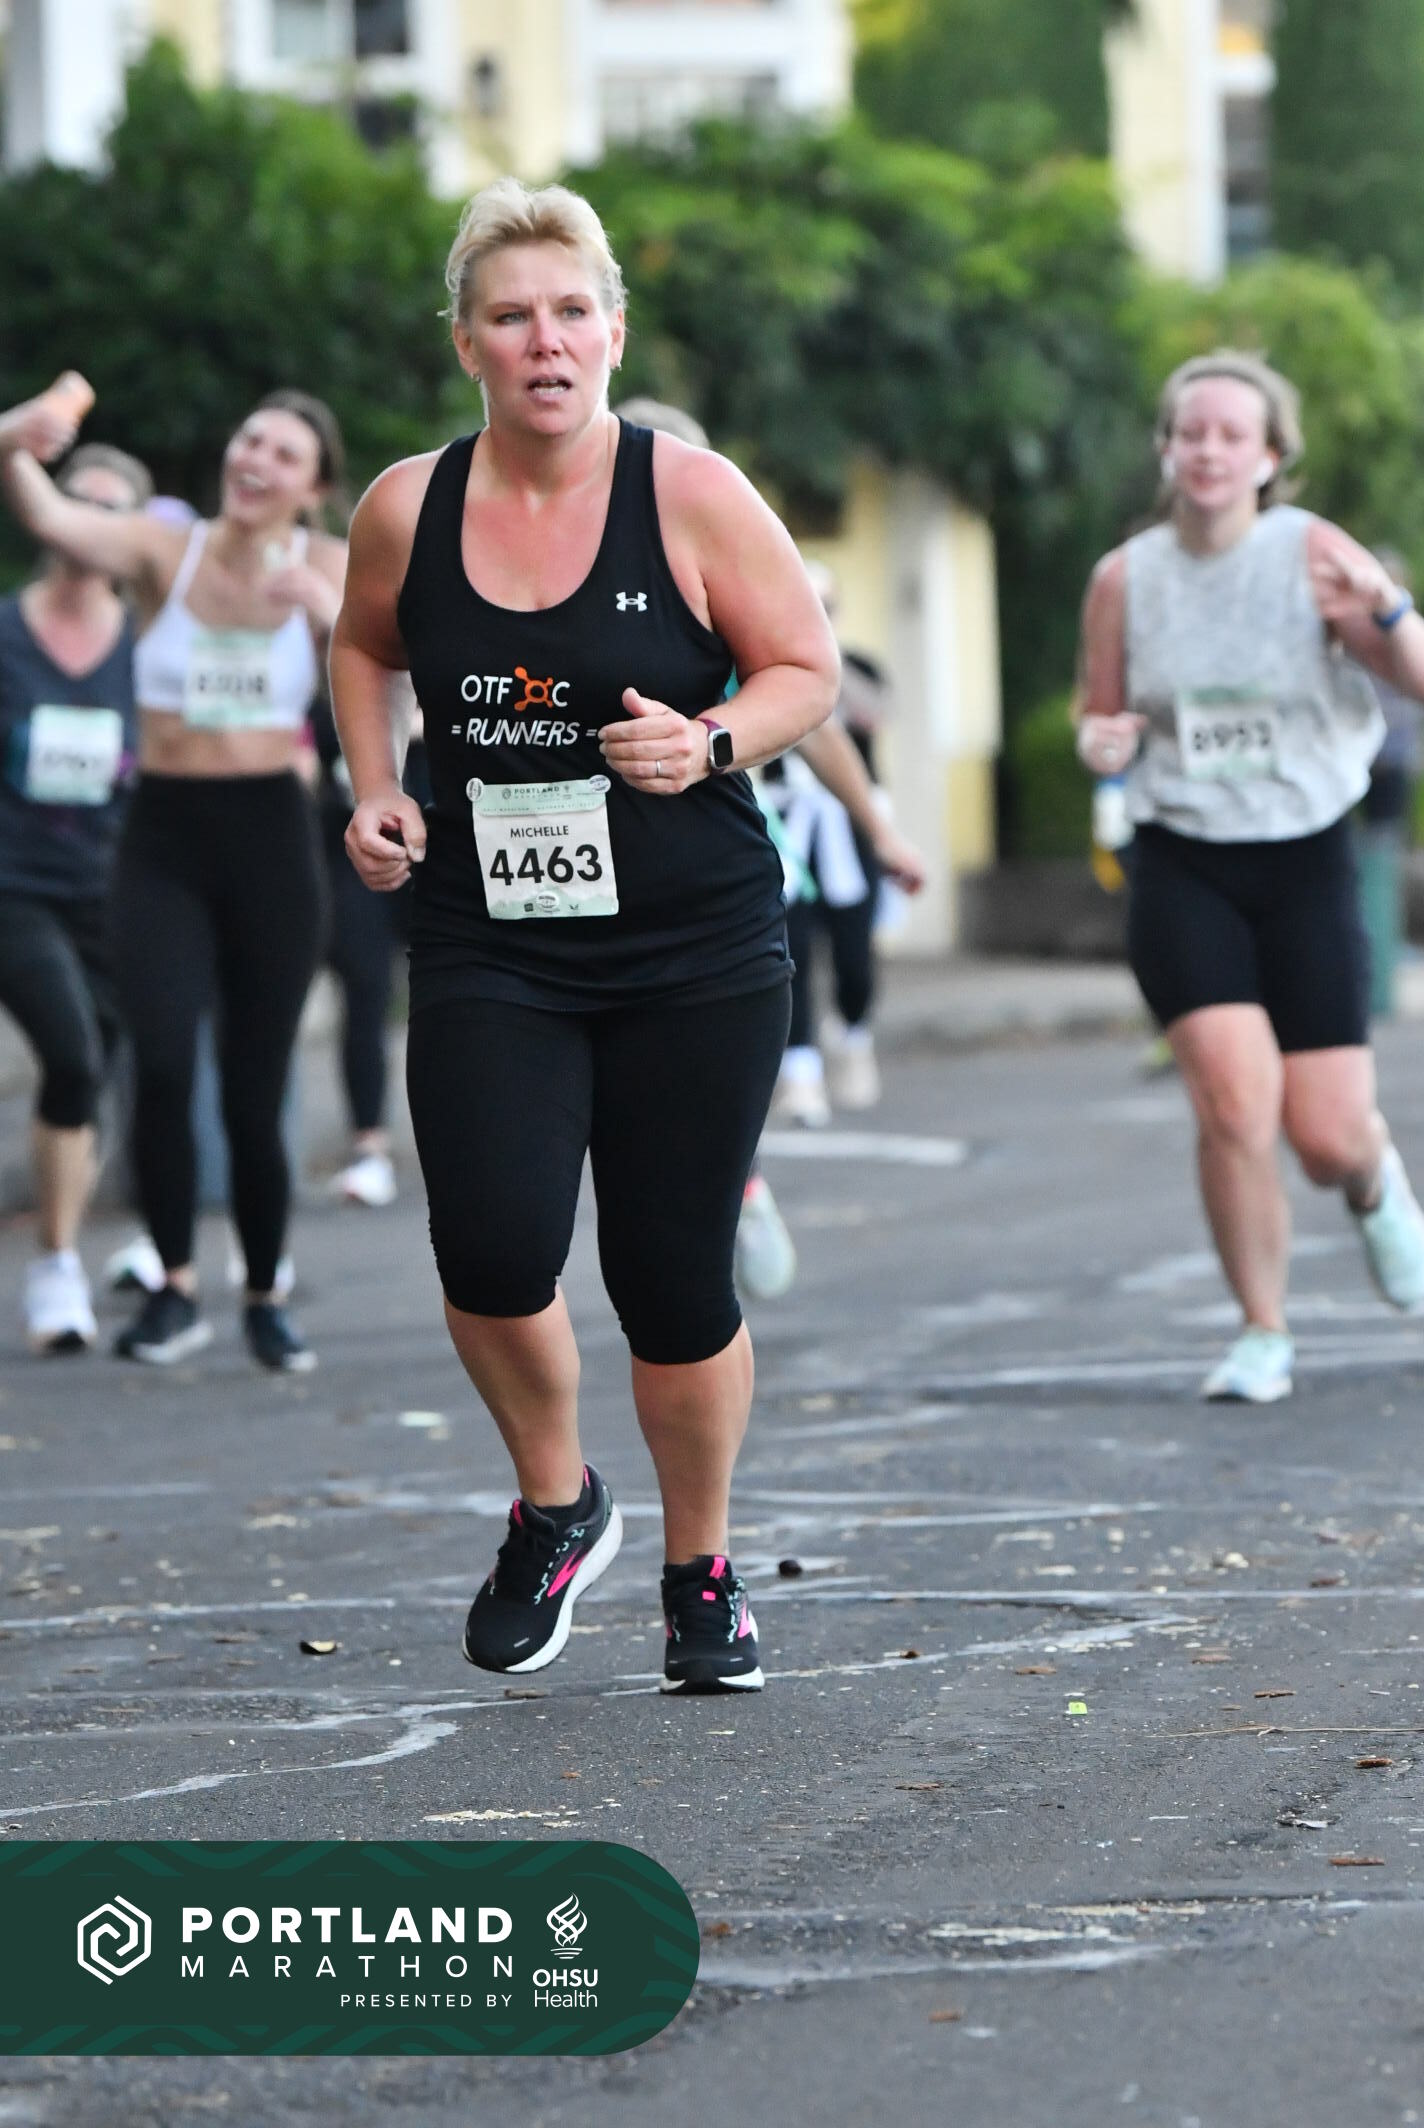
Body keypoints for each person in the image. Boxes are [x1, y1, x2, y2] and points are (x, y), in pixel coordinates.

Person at [331, 177, 838, 1692]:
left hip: (694, 946)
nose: (543, 341)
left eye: (569, 312)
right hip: (493, 938)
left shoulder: (690, 493)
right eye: (510, 316)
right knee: (490, 1249)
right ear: (468, 345)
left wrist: (710, 740)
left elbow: (804, 667)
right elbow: (362, 643)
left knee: (672, 1280)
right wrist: (374, 788)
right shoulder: (407, 507)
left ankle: (703, 1572)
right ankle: (557, 1505)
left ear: (612, 331)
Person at [1075, 348, 1424, 1403]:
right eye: (1192, 433)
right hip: (1182, 857)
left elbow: (1413, 677)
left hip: (1305, 853)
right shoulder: (1124, 578)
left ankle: (1372, 1179)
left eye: (1232, 435)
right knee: (1232, 1103)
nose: (1209, 451)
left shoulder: (1312, 554)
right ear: (1166, 449)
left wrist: (1389, 609)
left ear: (1269, 456)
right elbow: (1098, 712)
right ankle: (1261, 1330)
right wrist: (1099, 742)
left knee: (1323, 1136)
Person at [0, 386, 346, 1371]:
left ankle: (265, 1294)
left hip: (270, 840)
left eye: (283, 454)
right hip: (161, 841)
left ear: (313, 487)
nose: (255, 460)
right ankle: (175, 1289)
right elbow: (48, 516)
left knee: (255, 1084)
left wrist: (330, 622)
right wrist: (14, 439)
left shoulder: (331, 565)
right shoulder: (165, 550)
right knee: (158, 1065)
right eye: (249, 440)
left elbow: (402, 669)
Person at [0, 428, 151, 1350]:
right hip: (14, 884)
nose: (88, 521)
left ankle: (68, 1252)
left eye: (110, 509)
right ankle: (57, 1265)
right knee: (71, 1054)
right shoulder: (6, 632)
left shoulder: (147, 645)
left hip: (117, 889)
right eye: (76, 500)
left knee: (96, 1062)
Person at [768, 562, 925, 1125]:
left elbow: (869, 715)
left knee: (855, 953)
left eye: (823, 604)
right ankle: (801, 1072)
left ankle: (854, 1031)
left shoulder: (855, 667)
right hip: (787, 825)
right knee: (791, 950)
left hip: (849, 821)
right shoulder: (766, 661)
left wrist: (820, 653)